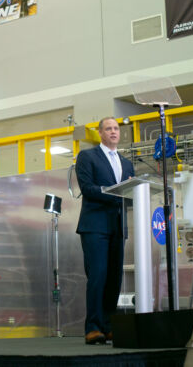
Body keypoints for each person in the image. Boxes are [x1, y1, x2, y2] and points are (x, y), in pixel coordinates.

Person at [75, 117, 134, 344]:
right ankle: (93, 327)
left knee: (114, 278)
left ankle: (109, 326)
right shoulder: (88, 157)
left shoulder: (127, 163)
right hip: (95, 226)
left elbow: (129, 195)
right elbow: (88, 188)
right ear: (100, 133)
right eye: (108, 128)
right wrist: (114, 191)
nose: (113, 132)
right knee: (97, 276)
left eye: (116, 128)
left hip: (118, 226)